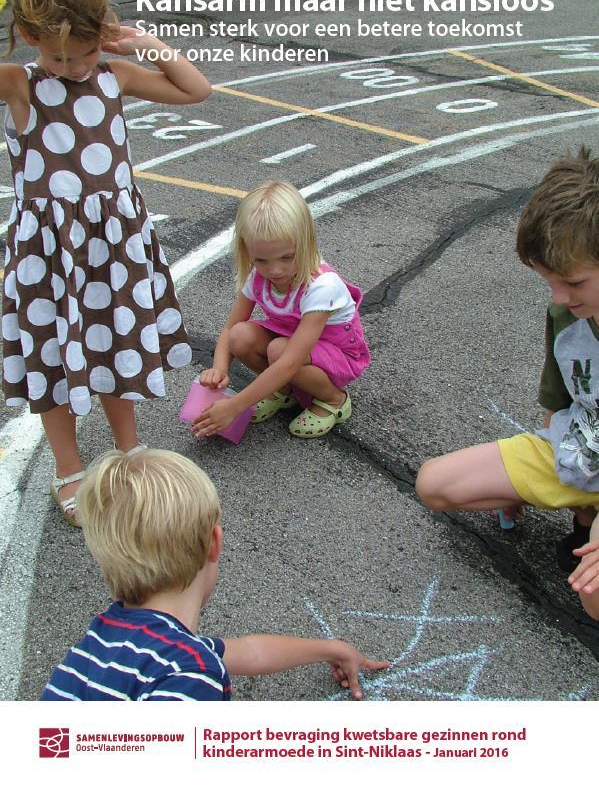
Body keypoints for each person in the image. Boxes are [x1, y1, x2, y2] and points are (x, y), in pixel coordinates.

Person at [0, 0, 211, 525]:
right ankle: (68, 467)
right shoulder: (19, 83)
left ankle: (129, 449)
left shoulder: (113, 73)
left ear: (104, 34)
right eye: (58, 55)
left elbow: (196, 90)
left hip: (113, 249)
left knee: (115, 346)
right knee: (53, 358)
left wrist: (142, 42)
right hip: (49, 256)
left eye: (86, 51)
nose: (73, 67)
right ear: (26, 35)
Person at [41, 449, 390, 700]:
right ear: (214, 543)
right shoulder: (189, 678)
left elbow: (248, 652)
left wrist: (331, 648)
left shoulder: (108, 637)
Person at [415, 148, 599, 620]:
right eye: (548, 282)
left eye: (573, 283)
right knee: (435, 483)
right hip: (584, 448)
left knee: (593, 596)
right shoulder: (566, 314)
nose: (559, 297)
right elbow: (559, 403)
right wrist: (529, 485)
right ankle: (583, 509)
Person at [192, 180, 371, 439]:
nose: (275, 270)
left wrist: (235, 405)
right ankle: (284, 391)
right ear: (247, 251)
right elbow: (230, 328)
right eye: (261, 260)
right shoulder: (257, 276)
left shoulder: (321, 285)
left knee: (279, 351)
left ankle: (334, 400)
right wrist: (219, 368)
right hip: (293, 346)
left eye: (287, 257)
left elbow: (289, 361)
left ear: (306, 242)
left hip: (337, 354)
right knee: (240, 336)